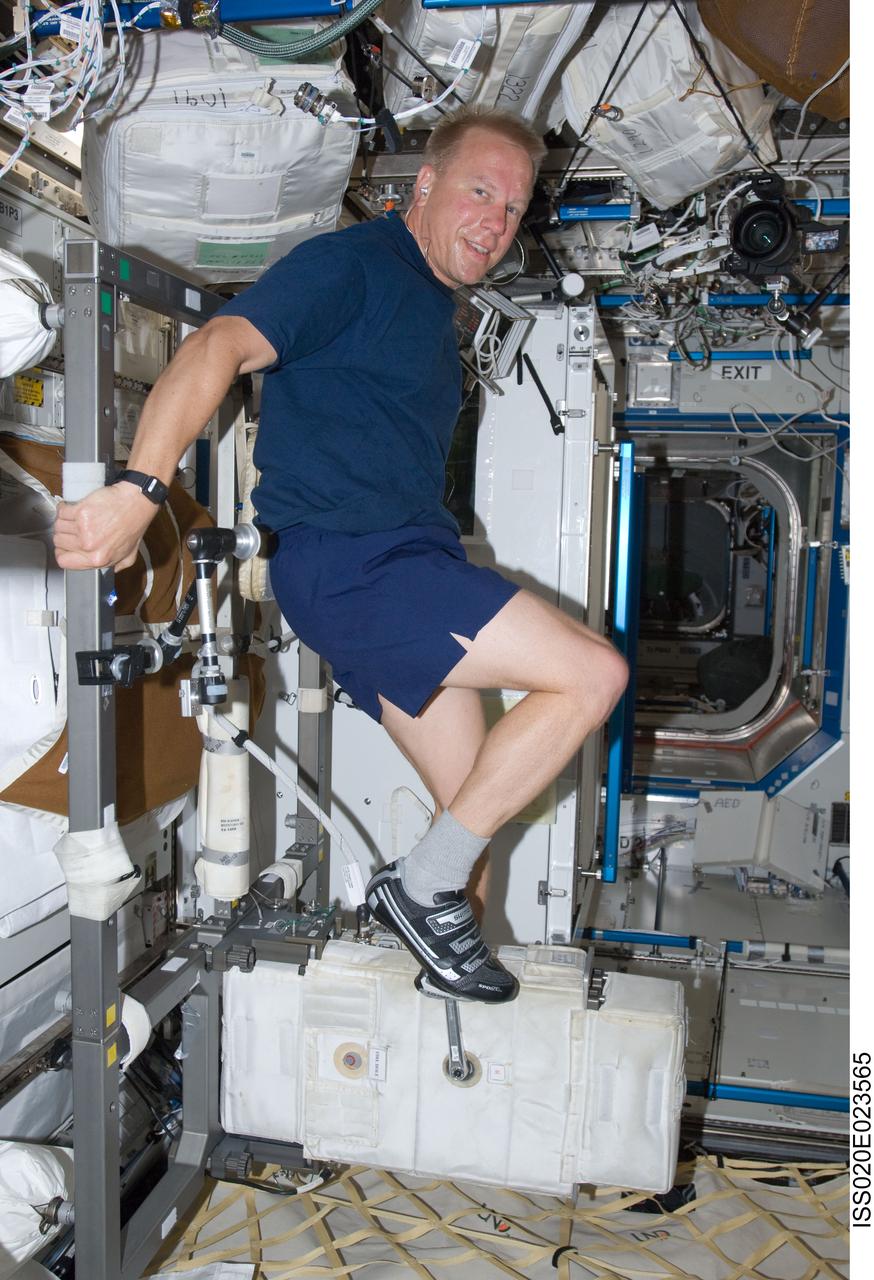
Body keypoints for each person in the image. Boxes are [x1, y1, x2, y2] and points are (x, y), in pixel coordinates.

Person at [53, 106, 628, 1005]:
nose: (496, 220)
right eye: (481, 191)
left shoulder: (434, 309)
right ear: (423, 186)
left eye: (513, 209)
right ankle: (420, 888)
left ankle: (438, 1009)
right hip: (357, 565)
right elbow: (219, 346)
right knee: (591, 677)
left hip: (395, 562)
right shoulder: (353, 266)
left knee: (470, 841)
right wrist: (140, 489)